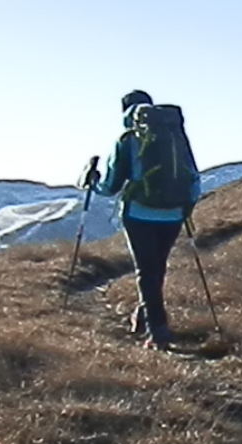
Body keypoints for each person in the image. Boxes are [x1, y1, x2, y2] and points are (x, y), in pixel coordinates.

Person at [86, 89, 200, 348]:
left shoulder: (127, 139)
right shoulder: (176, 135)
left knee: (146, 270)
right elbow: (192, 174)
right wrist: (186, 207)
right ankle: (144, 313)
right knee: (156, 267)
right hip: (174, 214)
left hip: (139, 213)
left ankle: (158, 331)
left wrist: (94, 184)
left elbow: (111, 185)